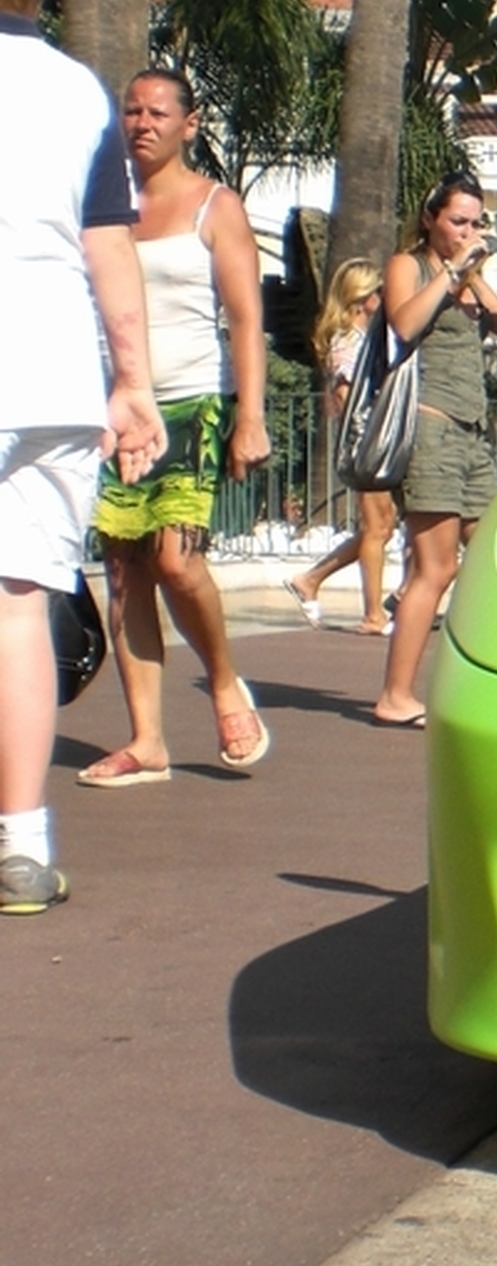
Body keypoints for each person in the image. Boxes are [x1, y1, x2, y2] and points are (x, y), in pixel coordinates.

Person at [0, 0, 165, 911]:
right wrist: (134, 382)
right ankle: (21, 840)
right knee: (20, 609)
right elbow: (110, 248)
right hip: (54, 371)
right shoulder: (78, 93)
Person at [77, 68, 273, 789]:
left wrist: (250, 417)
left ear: (189, 125)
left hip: (194, 402)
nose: (142, 122)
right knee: (125, 573)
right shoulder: (103, 205)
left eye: (158, 111)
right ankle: (146, 739)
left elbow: (248, 319)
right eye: (131, 110)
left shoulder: (214, 207)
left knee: (175, 560)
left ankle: (223, 682)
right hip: (120, 411)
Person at [372, 172, 497, 727]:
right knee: (435, 568)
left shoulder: (473, 278)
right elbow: (404, 322)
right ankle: (396, 694)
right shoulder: (412, 265)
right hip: (430, 428)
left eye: (475, 222)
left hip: (472, 436)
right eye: (457, 221)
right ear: (430, 219)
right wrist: (452, 271)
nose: (468, 231)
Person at [284, 258, 399, 633]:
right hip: (365, 439)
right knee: (376, 526)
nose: (383, 297)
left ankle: (312, 579)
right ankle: (372, 613)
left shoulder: (366, 339)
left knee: (382, 524)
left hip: (374, 436)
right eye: (377, 291)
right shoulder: (347, 341)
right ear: (361, 297)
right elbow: (347, 393)